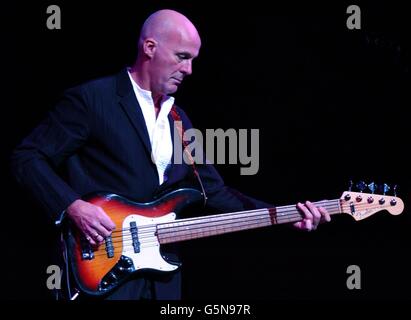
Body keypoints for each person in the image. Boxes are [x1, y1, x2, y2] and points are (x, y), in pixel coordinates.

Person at [11, 9, 331, 300]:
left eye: (193, 60)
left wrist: (285, 215)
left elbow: (214, 192)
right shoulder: (93, 100)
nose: (189, 69)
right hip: (100, 266)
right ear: (150, 48)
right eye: (181, 56)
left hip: (162, 278)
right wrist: (72, 206)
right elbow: (27, 157)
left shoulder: (178, 118)